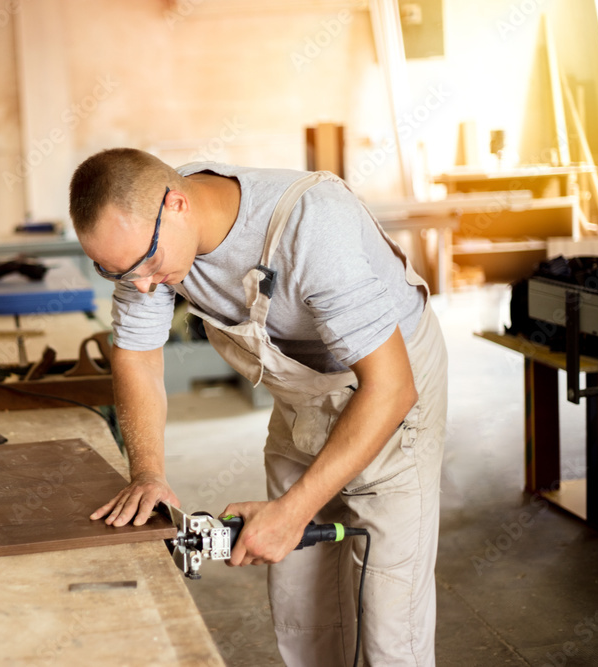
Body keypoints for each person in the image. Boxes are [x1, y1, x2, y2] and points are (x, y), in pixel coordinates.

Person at [69, 148, 447, 667]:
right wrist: (148, 472)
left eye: (146, 265)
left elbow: (391, 387)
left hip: (391, 385)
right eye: (116, 272)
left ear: (176, 203)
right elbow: (137, 355)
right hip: (302, 392)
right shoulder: (144, 243)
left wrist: (292, 513)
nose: (141, 284)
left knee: (388, 624)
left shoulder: (313, 224)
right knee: (302, 604)